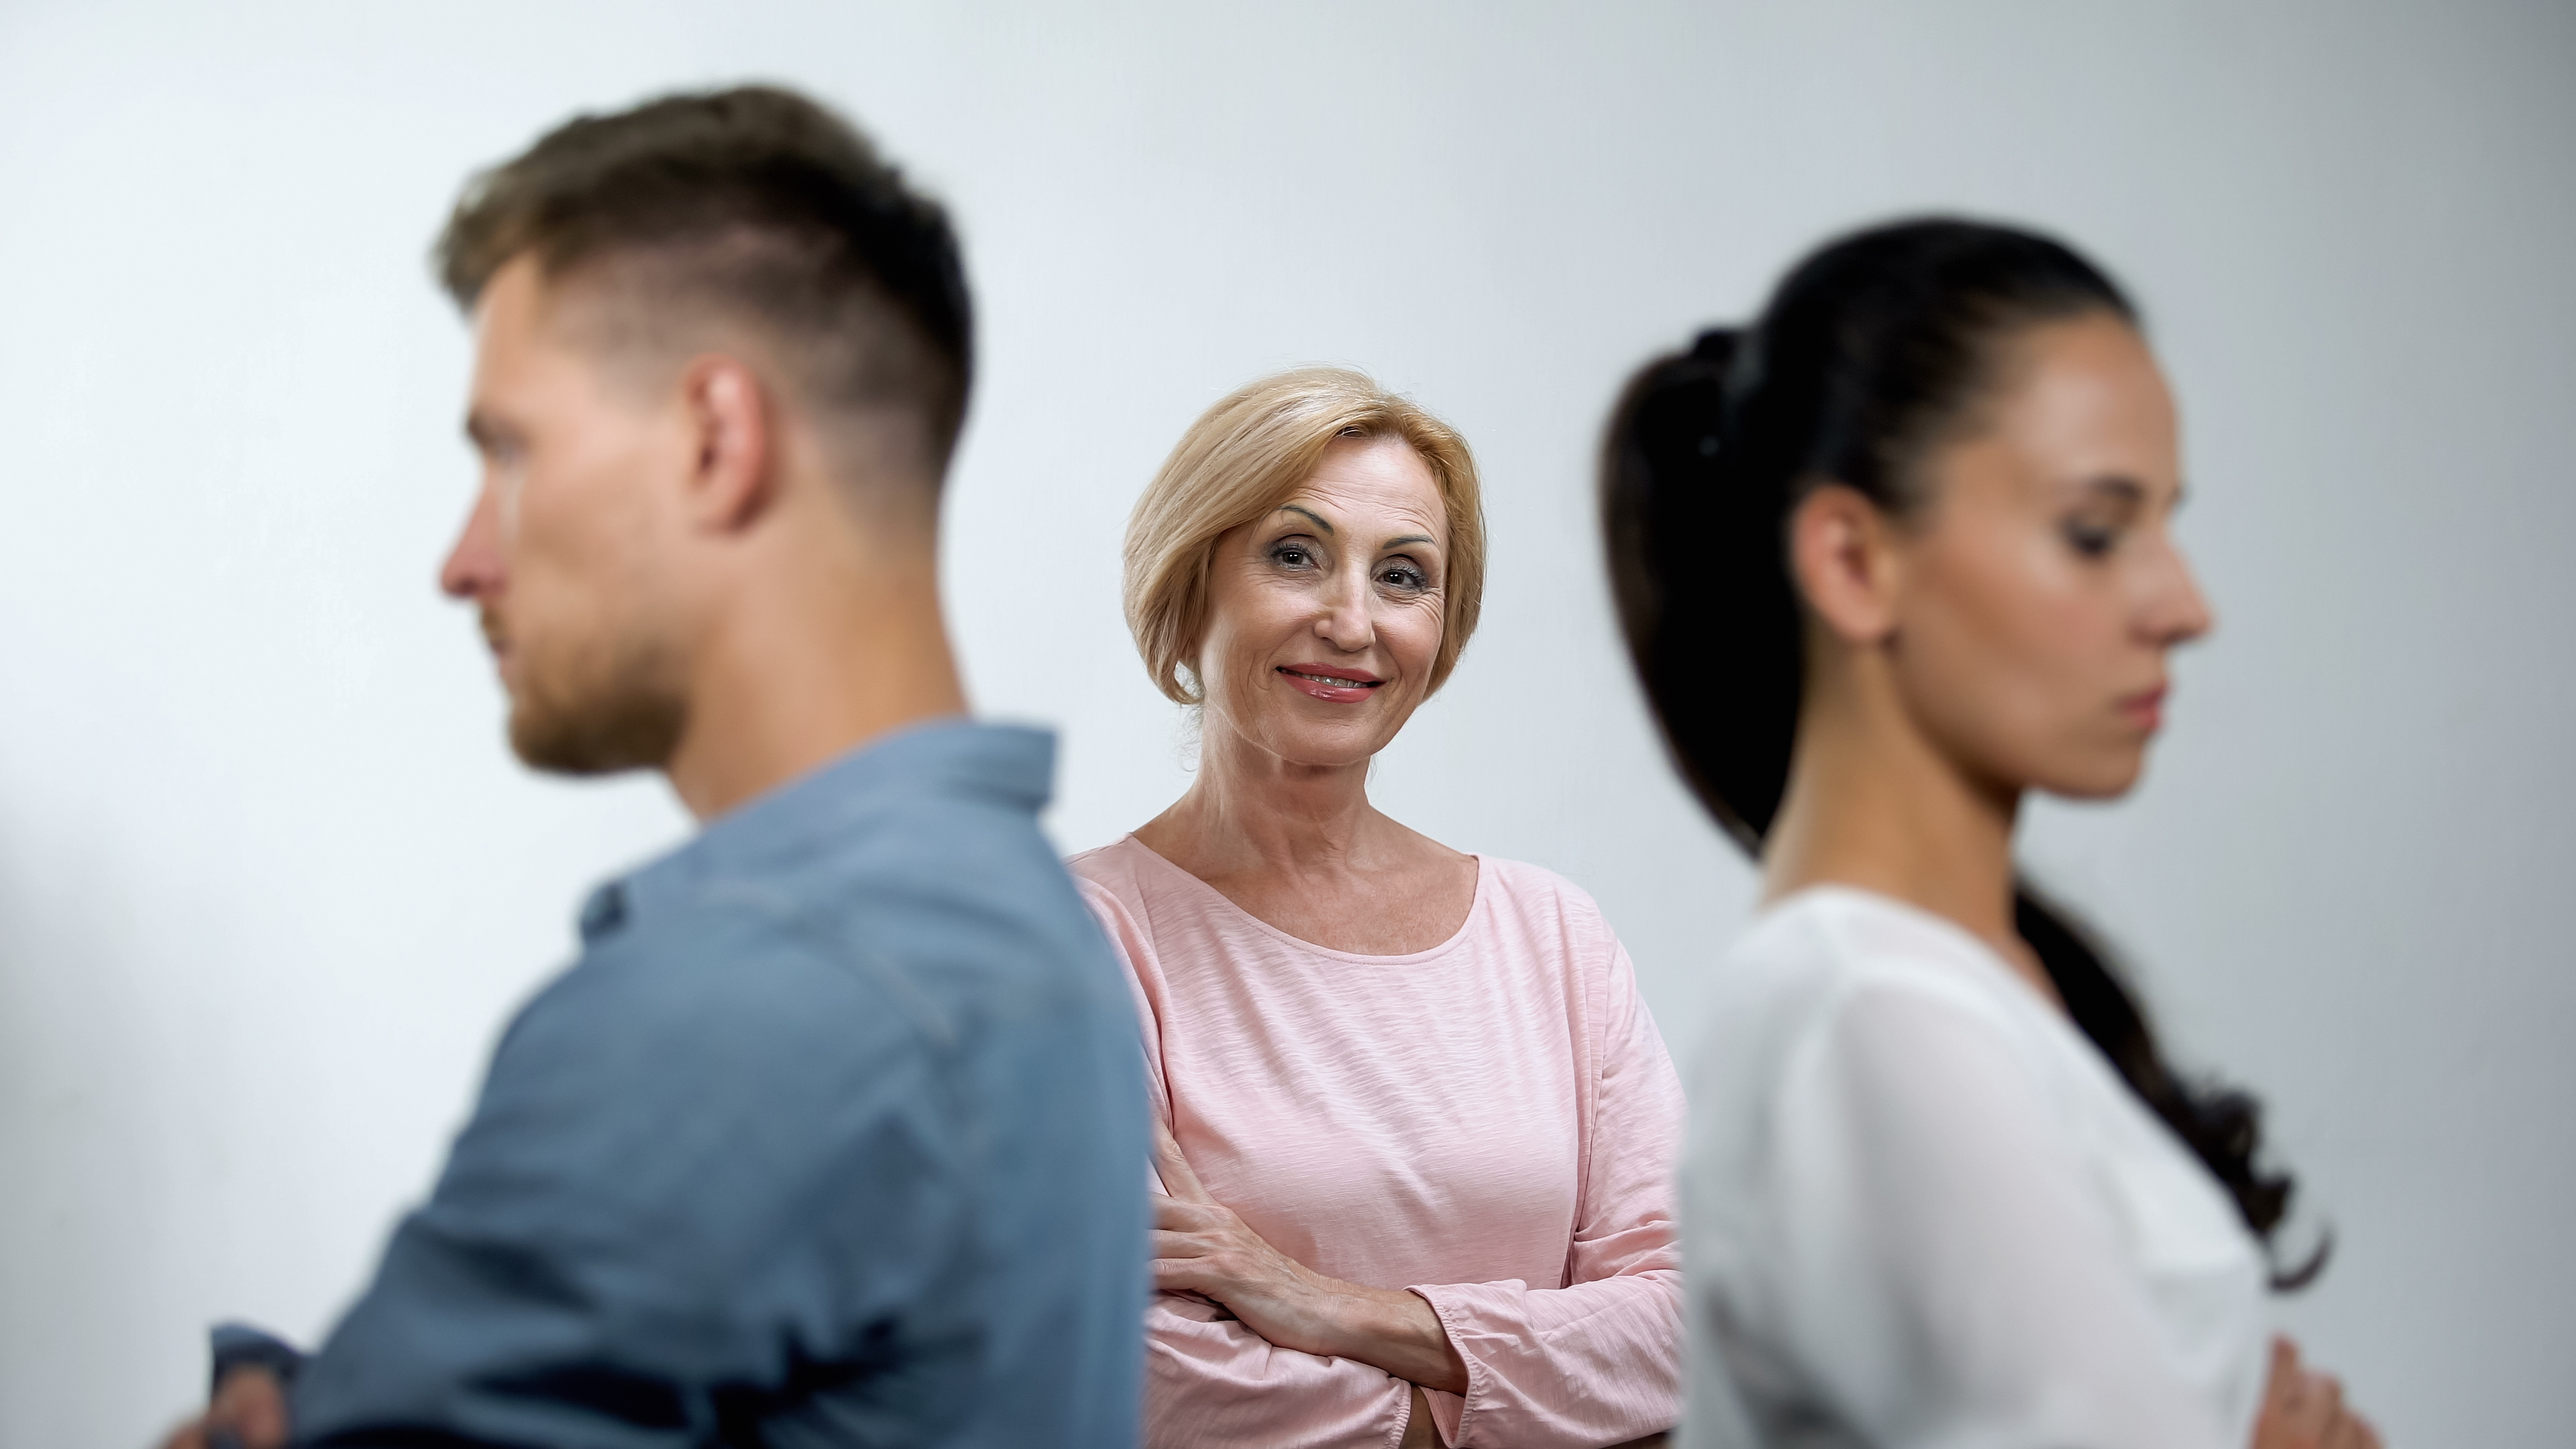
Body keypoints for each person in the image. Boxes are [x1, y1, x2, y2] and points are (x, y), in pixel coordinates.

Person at [157, 86, 1146, 1449]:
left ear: (714, 441)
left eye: (510, 452)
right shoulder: (1030, 929)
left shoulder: (761, 996)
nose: (463, 561)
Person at [1601, 218, 2381, 1449]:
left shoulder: (1943, 988)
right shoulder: (1869, 1020)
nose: (2186, 607)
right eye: (2096, 533)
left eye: (2167, 523)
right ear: (1855, 561)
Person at [1073, 366, 1686, 1449]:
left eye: (1403, 576)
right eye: (1295, 554)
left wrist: (1323, 1305)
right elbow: (1140, 1370)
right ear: (1189, 584)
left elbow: (1691, 1327)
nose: (1352, 622)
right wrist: (1531, 1404)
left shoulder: (1553, 936)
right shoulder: (1076, 941)